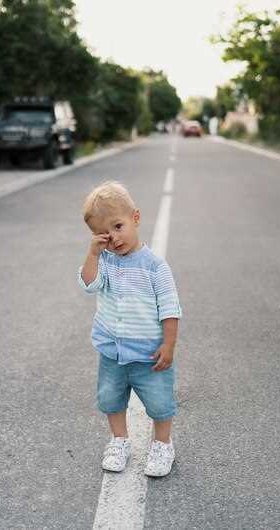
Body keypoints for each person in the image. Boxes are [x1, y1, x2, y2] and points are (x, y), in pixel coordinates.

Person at [78, 180, 182, 477]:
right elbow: (88, 284)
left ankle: (163, 444)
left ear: (135, 218)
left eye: (119, 227)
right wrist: (94, 254)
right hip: (112, 351)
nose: (114, 239)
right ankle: (119, 440)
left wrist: (169, 346)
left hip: (150, 355)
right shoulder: (105, 262)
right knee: (110, 398)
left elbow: (171, 309)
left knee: (160, 402)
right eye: (105, 235)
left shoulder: (155, 267)